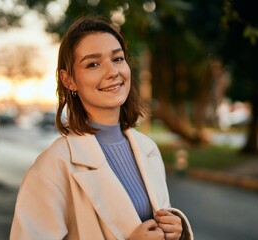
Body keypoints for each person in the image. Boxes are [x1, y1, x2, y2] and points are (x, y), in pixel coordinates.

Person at [10, 16, 193, 240]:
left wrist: (176, 230)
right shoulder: (51, 168)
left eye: (117, 58)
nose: (112, 72)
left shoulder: (148, 148)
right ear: (69, 80)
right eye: (93, 64)